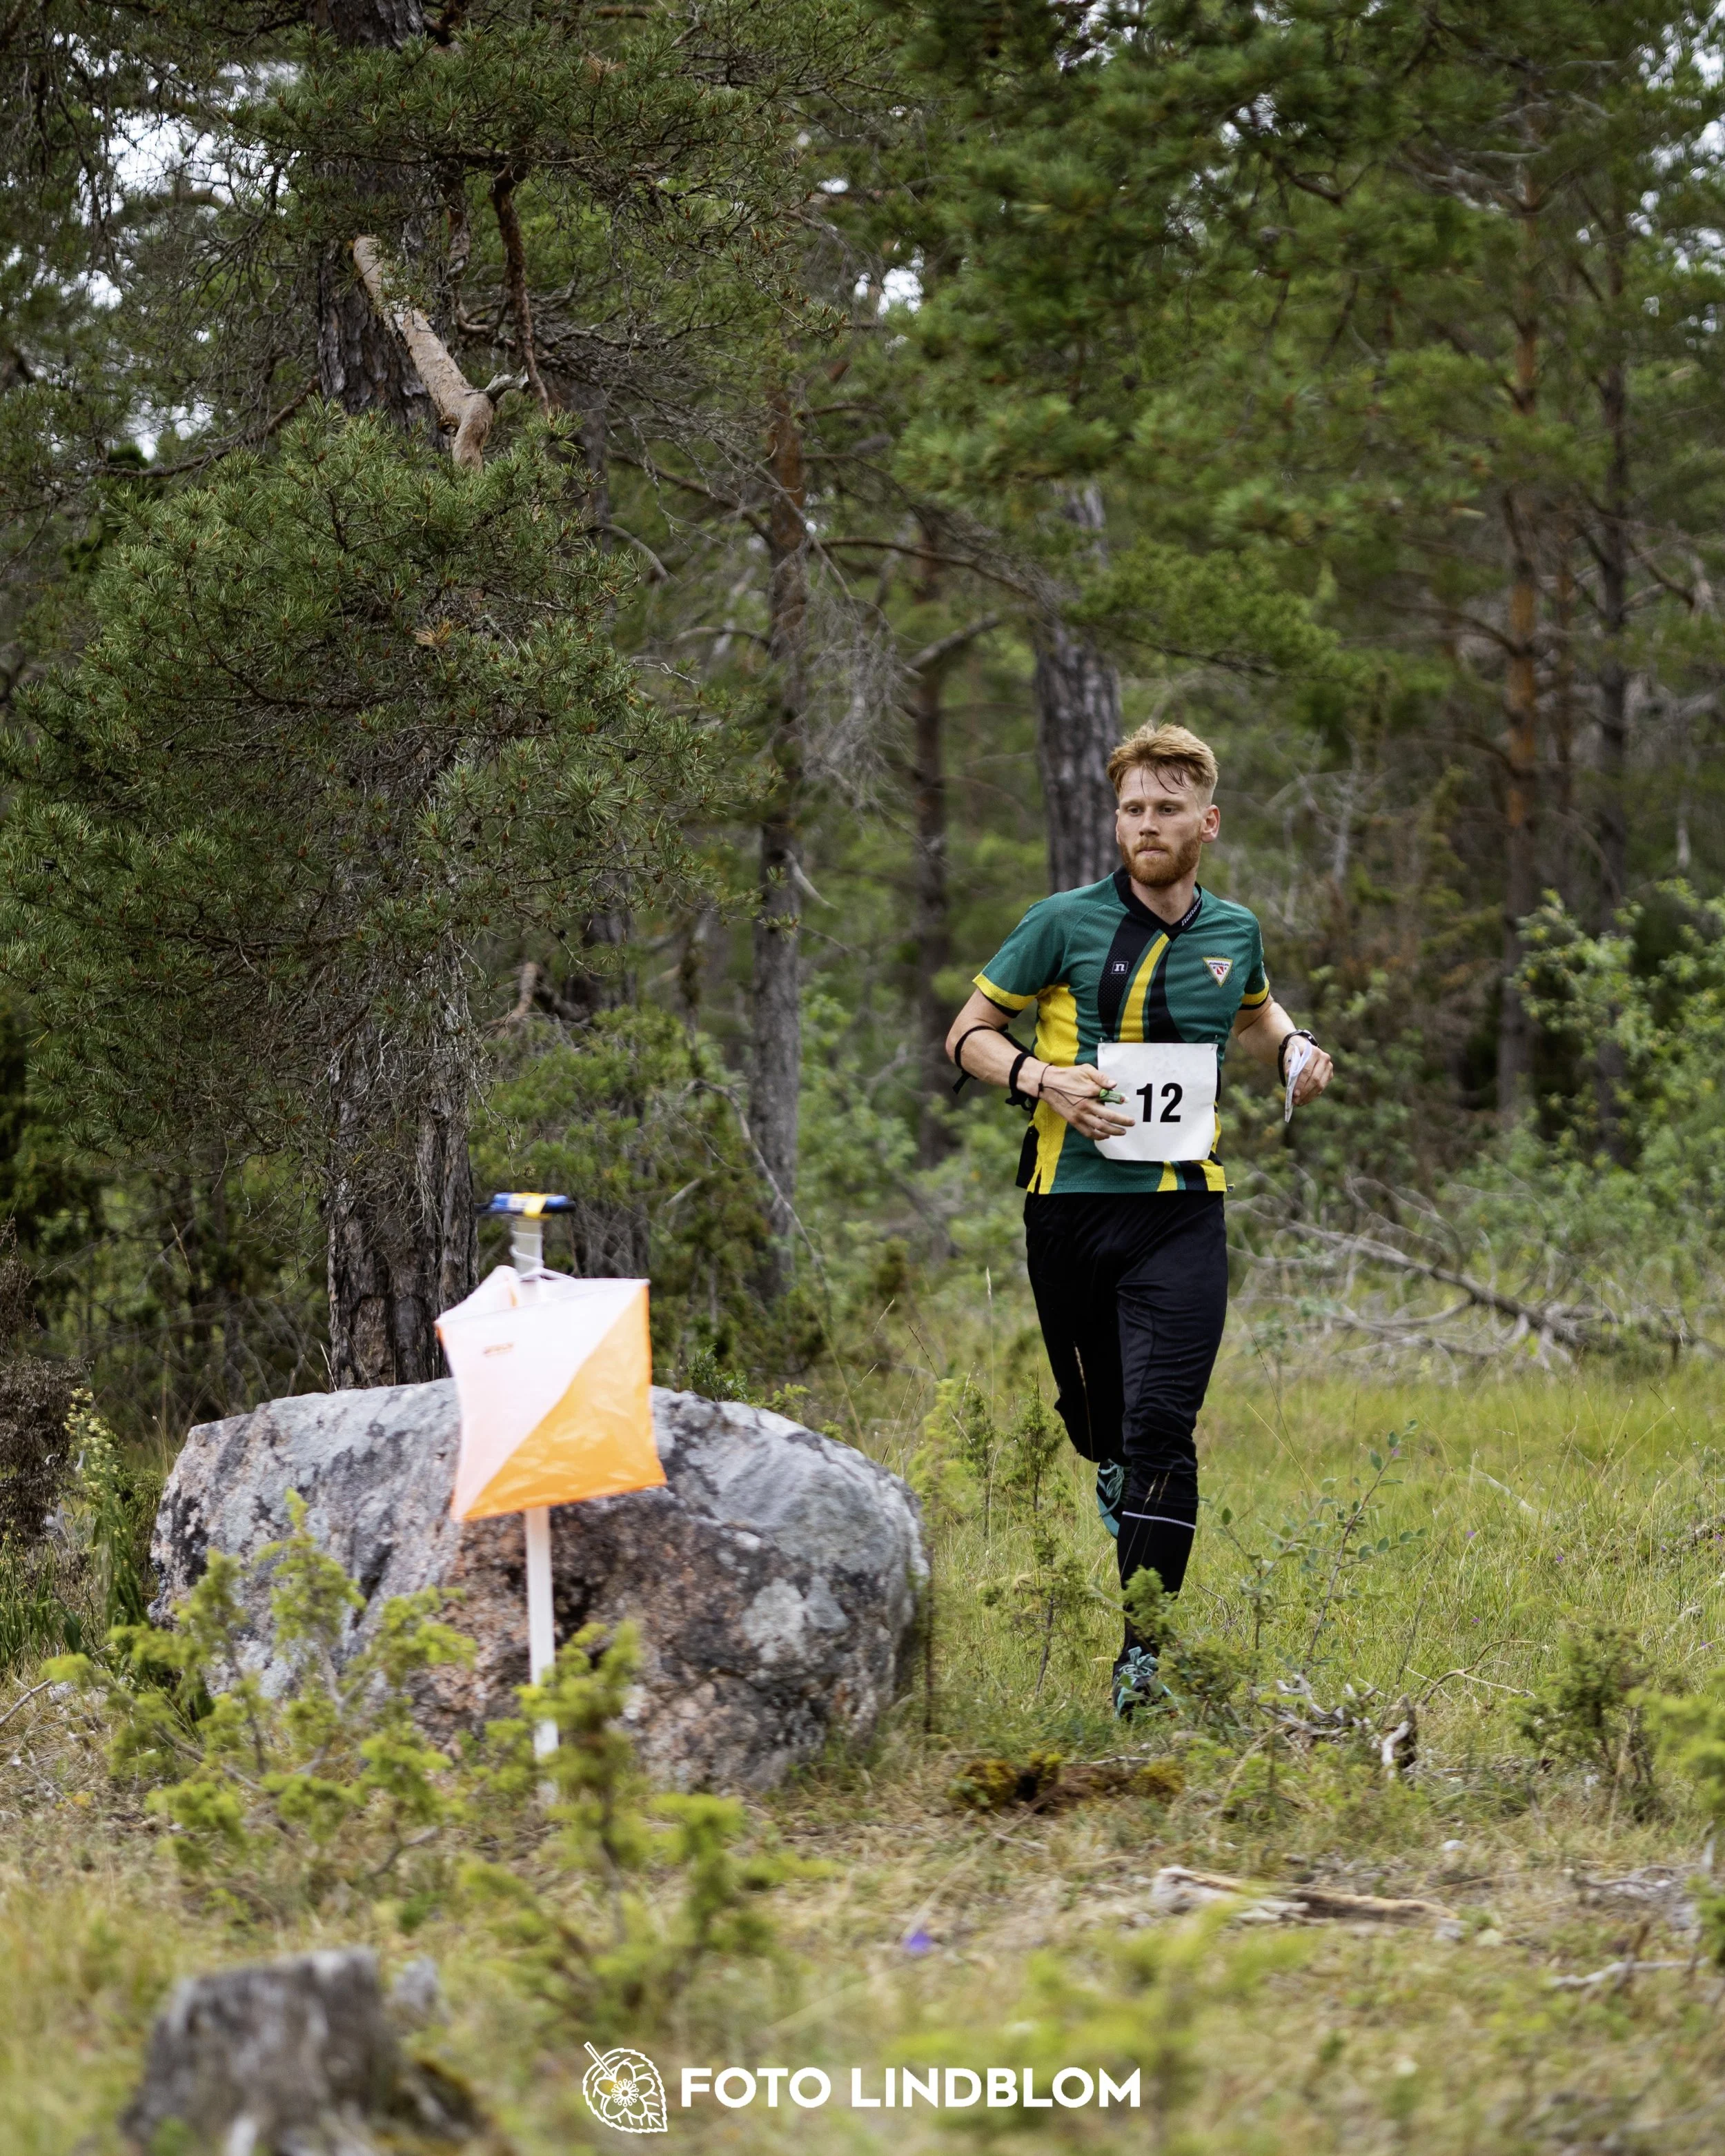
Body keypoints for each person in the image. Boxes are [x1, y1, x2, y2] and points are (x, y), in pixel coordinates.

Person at [944, 722, 1334, 1715]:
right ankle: (1112, 1466)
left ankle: (1141, 1666)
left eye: (1167, 808)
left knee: (1163, 1429)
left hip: (1181, 1212)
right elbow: (968, 1034)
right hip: (1068, 1211)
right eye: (1132, 809)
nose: (1147, 824)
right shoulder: (1062, 923)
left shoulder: (1234, 931)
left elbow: (1254, 1011)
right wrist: (1043, 1079)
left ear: (1209, 822)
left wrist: (1295, 1047)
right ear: (1115, 822)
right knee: (1101, 1430)